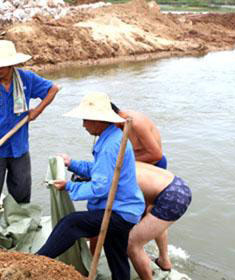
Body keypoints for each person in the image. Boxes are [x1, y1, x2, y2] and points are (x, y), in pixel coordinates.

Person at [36, 92, 145, 280]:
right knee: (116, 255)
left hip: (119, 211)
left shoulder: (111, 145)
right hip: (127, 209)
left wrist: (69, 186)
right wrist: (72, 163)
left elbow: (100, 187)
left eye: (86, 120)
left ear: (99, 120)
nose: (84, 125)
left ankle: (35, 261)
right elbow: (98, 170)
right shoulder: (111, 137)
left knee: (71, 223)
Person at [0, 40, 59, 225]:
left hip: (19, 146)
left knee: (21, 190)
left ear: (11, 65)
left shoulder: (26, 80)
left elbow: (53, 89)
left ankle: (20, 226)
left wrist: (37, 111)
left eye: (2, 66)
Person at [127, 162, 192, 279]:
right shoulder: (127, 161)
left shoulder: (109, 175)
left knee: (132, 245)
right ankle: (164, 261)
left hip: (170, 197)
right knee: (153, 220)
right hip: (177, 184)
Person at [111, 103, 167, 169]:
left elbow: (157, 155)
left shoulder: (136, 124)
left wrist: (122, 160)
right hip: (135, 164)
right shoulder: (117, 124)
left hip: (153, 166)